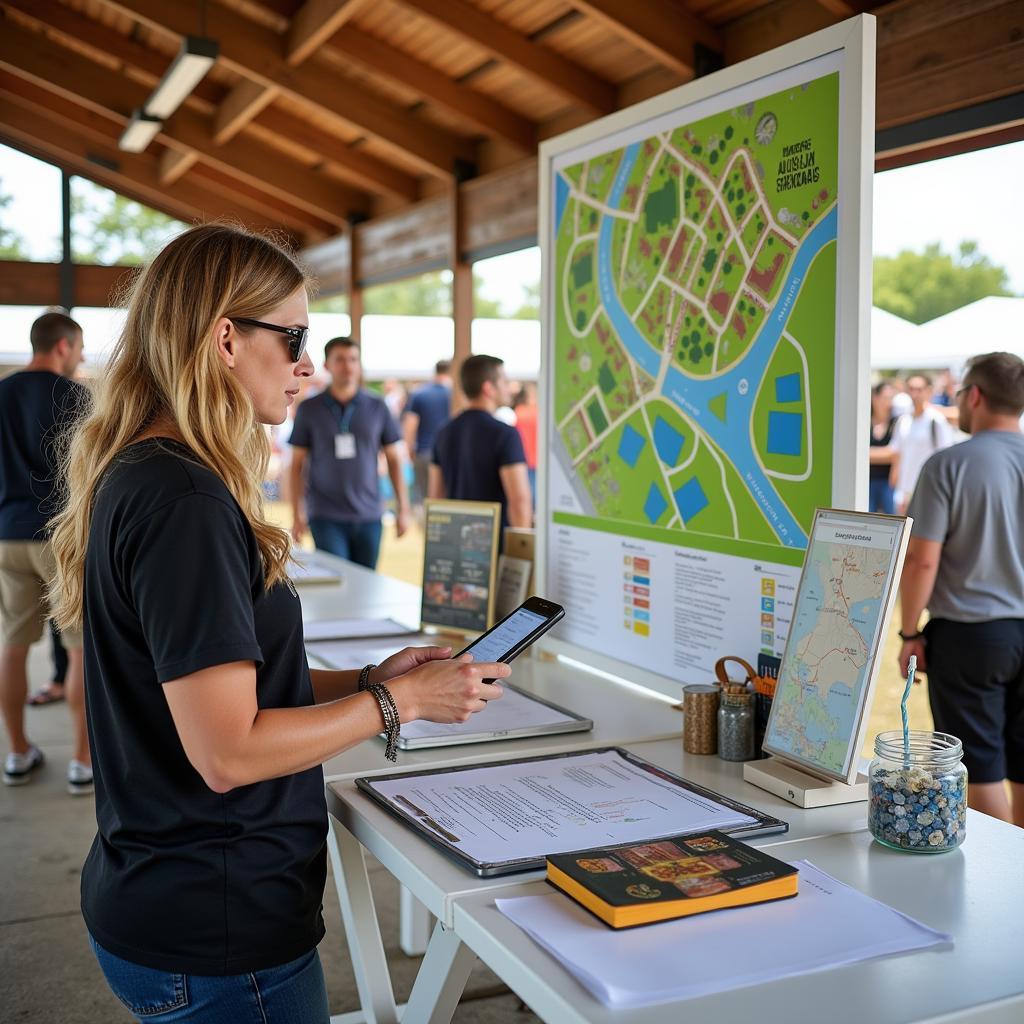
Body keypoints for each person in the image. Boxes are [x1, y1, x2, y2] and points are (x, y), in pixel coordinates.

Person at [47, 224, 508, 1021]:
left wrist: (370, 680)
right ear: (225, 337)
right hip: (217, 929)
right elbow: (228, 750)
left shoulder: (157, 473)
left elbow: (228, 688)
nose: (305, 362)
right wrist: (403, 705)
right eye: (292, 336)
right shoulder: (182, 501)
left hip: (172, 899)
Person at [897, 352, 1024, 827]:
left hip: (971, 635)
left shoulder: (950, 464)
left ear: (974, 395)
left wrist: (909, 633)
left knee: (980, 768)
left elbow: (923, 558)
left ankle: (1005, 881)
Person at [0, 311, 91, 793]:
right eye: (78, 349)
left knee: (13, 647)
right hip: (59, 535)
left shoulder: (3, 393)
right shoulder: (76, 397)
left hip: (8, 535)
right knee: (79, 650)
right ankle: (81, 761)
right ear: (62, 346)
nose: (80, 358)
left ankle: (17, 753)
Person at [289, 337, 410, 569]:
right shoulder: (309, 409)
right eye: (340, 360)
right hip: (325, 515)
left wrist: (402, 509)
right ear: (327, 365)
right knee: (337, 582)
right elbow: (296, 466)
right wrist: (297, 513)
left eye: (353, 360)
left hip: (370, 515)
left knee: (367, 585)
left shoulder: (377, 407)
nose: (348, 366)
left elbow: (395, 460)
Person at [430, 354, 532, 530]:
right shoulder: (505, 434)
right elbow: (519, 501)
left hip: (457, 542)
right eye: (504, 382)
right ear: (488, 388)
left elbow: (437, 497)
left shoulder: (443, 433)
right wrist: (521, 546)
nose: (509, 388)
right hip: (496, 545)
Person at [892, 373, 957, 514]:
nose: (915, 394)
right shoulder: (903, 421)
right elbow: (898, 454)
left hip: (929, 492)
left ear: (928, 391)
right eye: (911, 389)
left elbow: (944, 456)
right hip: (905, 492)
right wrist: (898, 489)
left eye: (919, 389)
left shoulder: (937, 420)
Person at [402, 359, 452, 508]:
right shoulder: (454, 395)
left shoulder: (420, 394)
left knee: (426, 501)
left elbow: (410, 426)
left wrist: (409, 450)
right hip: (447, 455)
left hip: (423, 453)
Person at [868, 380, 899, 515]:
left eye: (891, 398)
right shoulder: (863, 422)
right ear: (875, 398)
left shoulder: (897, 423)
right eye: (885, 398)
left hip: (889, 484)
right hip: (867, 482)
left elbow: (895, 453)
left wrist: (865, 455)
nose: (889, 402)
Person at [513, 382, 538, 505]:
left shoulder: (519, 412)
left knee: (527, 494)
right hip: (536, 460)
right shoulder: (539, 413)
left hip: (524, 459)